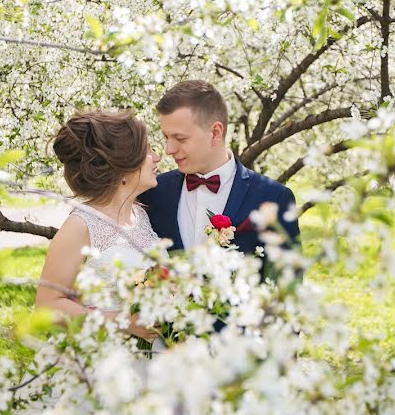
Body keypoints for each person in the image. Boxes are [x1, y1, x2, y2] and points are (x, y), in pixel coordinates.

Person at [137, 80, 300, 266]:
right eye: (166, 137)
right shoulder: (153, 193)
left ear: (215, 132)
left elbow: (287, 284)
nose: (169, 149)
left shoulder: (274, 198)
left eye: (180, 138)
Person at [35, 110, 161, 341]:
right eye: (148, 151)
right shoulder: (81, 225)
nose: (157, 157)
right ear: (124, 166)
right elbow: (47, 306)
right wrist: (124, 322)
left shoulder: (141, 214)